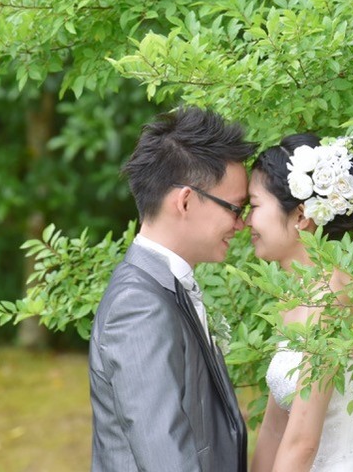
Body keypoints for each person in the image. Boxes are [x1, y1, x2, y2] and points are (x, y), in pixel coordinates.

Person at [89, 107, 256, 472]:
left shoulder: (161, 288)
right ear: (184, 201)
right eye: (234, 208)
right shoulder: (138, 305)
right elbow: (165, 457)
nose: (241, 225)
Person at [247, 134, 353, 472]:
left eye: (254, 206)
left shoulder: (335, 298)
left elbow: (303, 442)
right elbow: (275, 429)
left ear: (301, 215)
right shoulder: (297, 297)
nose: (245, 221)